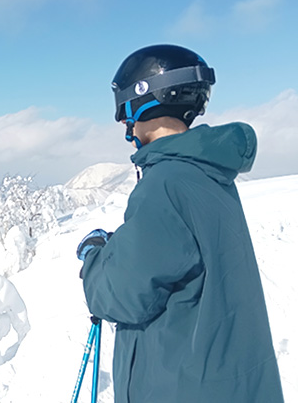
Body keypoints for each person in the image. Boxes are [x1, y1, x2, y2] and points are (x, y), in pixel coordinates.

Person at [76, 44, 283, 402]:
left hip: (181, 387)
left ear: (141, 100)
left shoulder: (164, 183)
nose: (123, 121)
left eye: (124, 108)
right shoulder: (206, 172)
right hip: (226, 383)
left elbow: (119, 296)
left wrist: (93, 256)